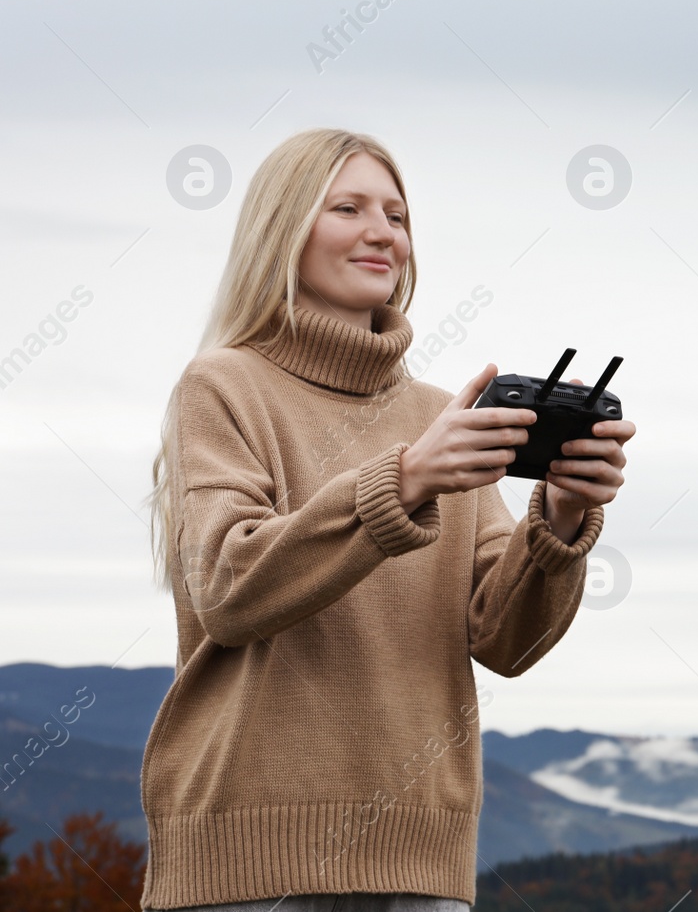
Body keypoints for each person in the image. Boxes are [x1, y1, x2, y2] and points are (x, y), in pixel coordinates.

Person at [140, 128, 634, 910]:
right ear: (283, 229)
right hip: (247, 865)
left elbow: (505, 641)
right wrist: (404, 482)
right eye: (348, 207)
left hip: (419, 869)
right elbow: (228, 590)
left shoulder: (443, 417)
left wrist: (562, 522)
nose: (383, 232)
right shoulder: (222, 386)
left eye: (397, 216)